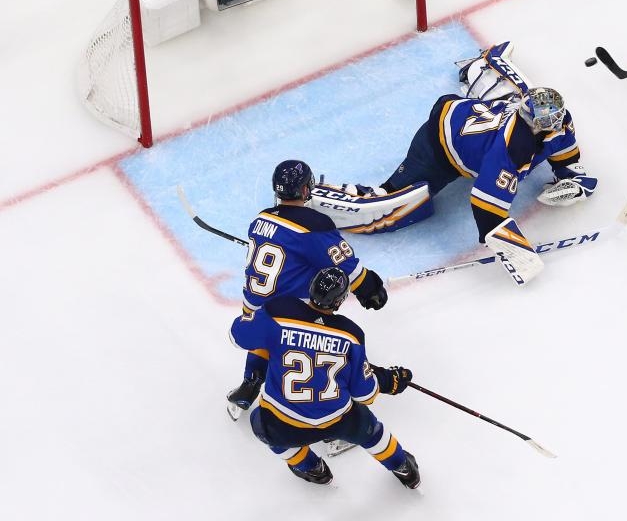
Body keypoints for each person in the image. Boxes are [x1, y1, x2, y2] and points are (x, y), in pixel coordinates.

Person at [333, 44, 598, 244]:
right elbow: (486, 201)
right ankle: (351, 197)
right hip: (439, 144)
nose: (557, 121)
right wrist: (501, 239)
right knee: (397, 205)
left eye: (556, 116)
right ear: (533, 122)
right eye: (549, 119)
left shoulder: (553, 119)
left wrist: (568, 171)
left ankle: (482, 66)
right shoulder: (511, 150)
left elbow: (561, 143)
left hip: (468, 113)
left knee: (508, 94)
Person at [227, 159, 389, 420]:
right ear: (305, 190)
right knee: (311, 338)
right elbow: (344, 265)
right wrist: (370, 287)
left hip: (252, 301)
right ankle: (319, 397)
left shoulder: (261, 219)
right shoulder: (314, 225)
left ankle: (251, 383)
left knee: (265, 331)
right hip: (289, 307)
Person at [230, 266, 419, 488]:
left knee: (261, 424)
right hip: (336, 419)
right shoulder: (351, 334)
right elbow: (365, 393)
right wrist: (391, 380)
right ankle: (403, 467)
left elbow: (237, 336)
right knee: (372, 432)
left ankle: (311, 468)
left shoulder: (278, 311)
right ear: (340, 301)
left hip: (282, 420)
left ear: (311, 288)